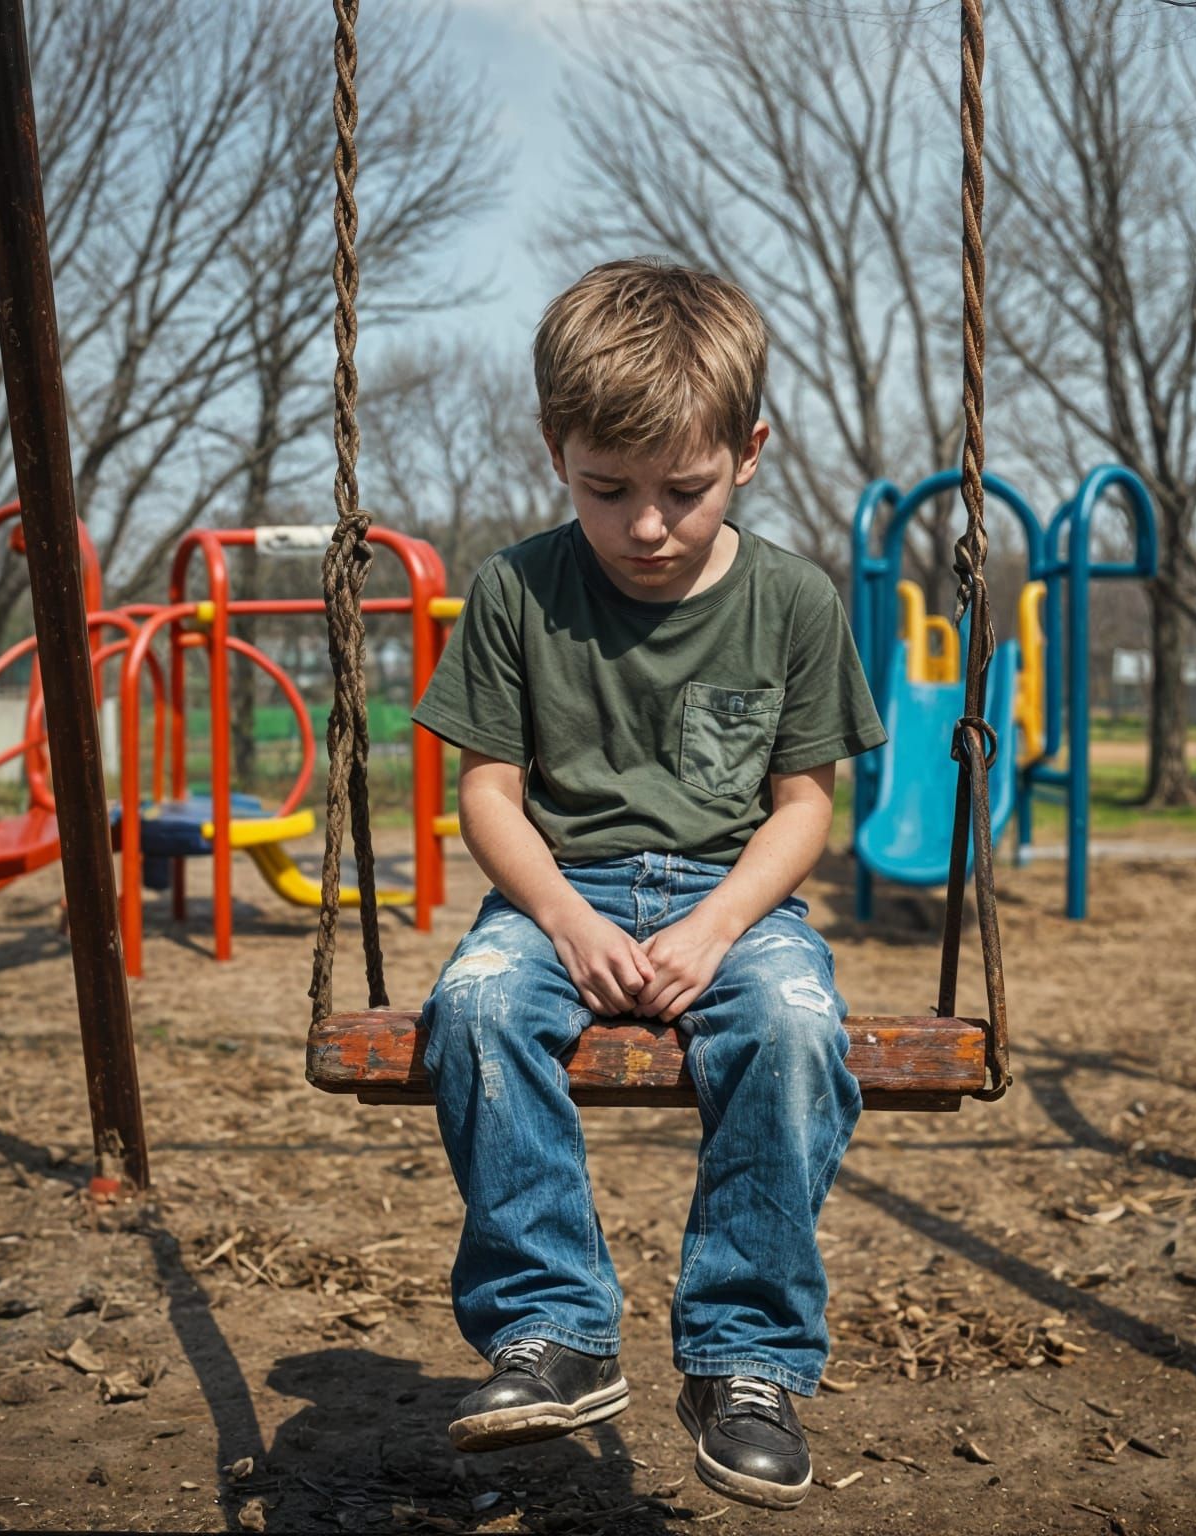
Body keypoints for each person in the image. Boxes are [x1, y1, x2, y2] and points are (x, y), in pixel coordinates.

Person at [410, 257, 887, 1512]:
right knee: (472, 1009)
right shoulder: (519, 588)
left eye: (685, 489)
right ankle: (550, 1326)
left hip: (734, 901)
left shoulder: (790, 600)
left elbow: (804, 809)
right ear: (554, 449)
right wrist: (561, 918)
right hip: (553, 888)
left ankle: (745, 1360)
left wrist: (718, 924)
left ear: (751, 450)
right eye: (604, 489)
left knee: (792, 1024)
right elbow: (488, 797)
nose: (646, 526)